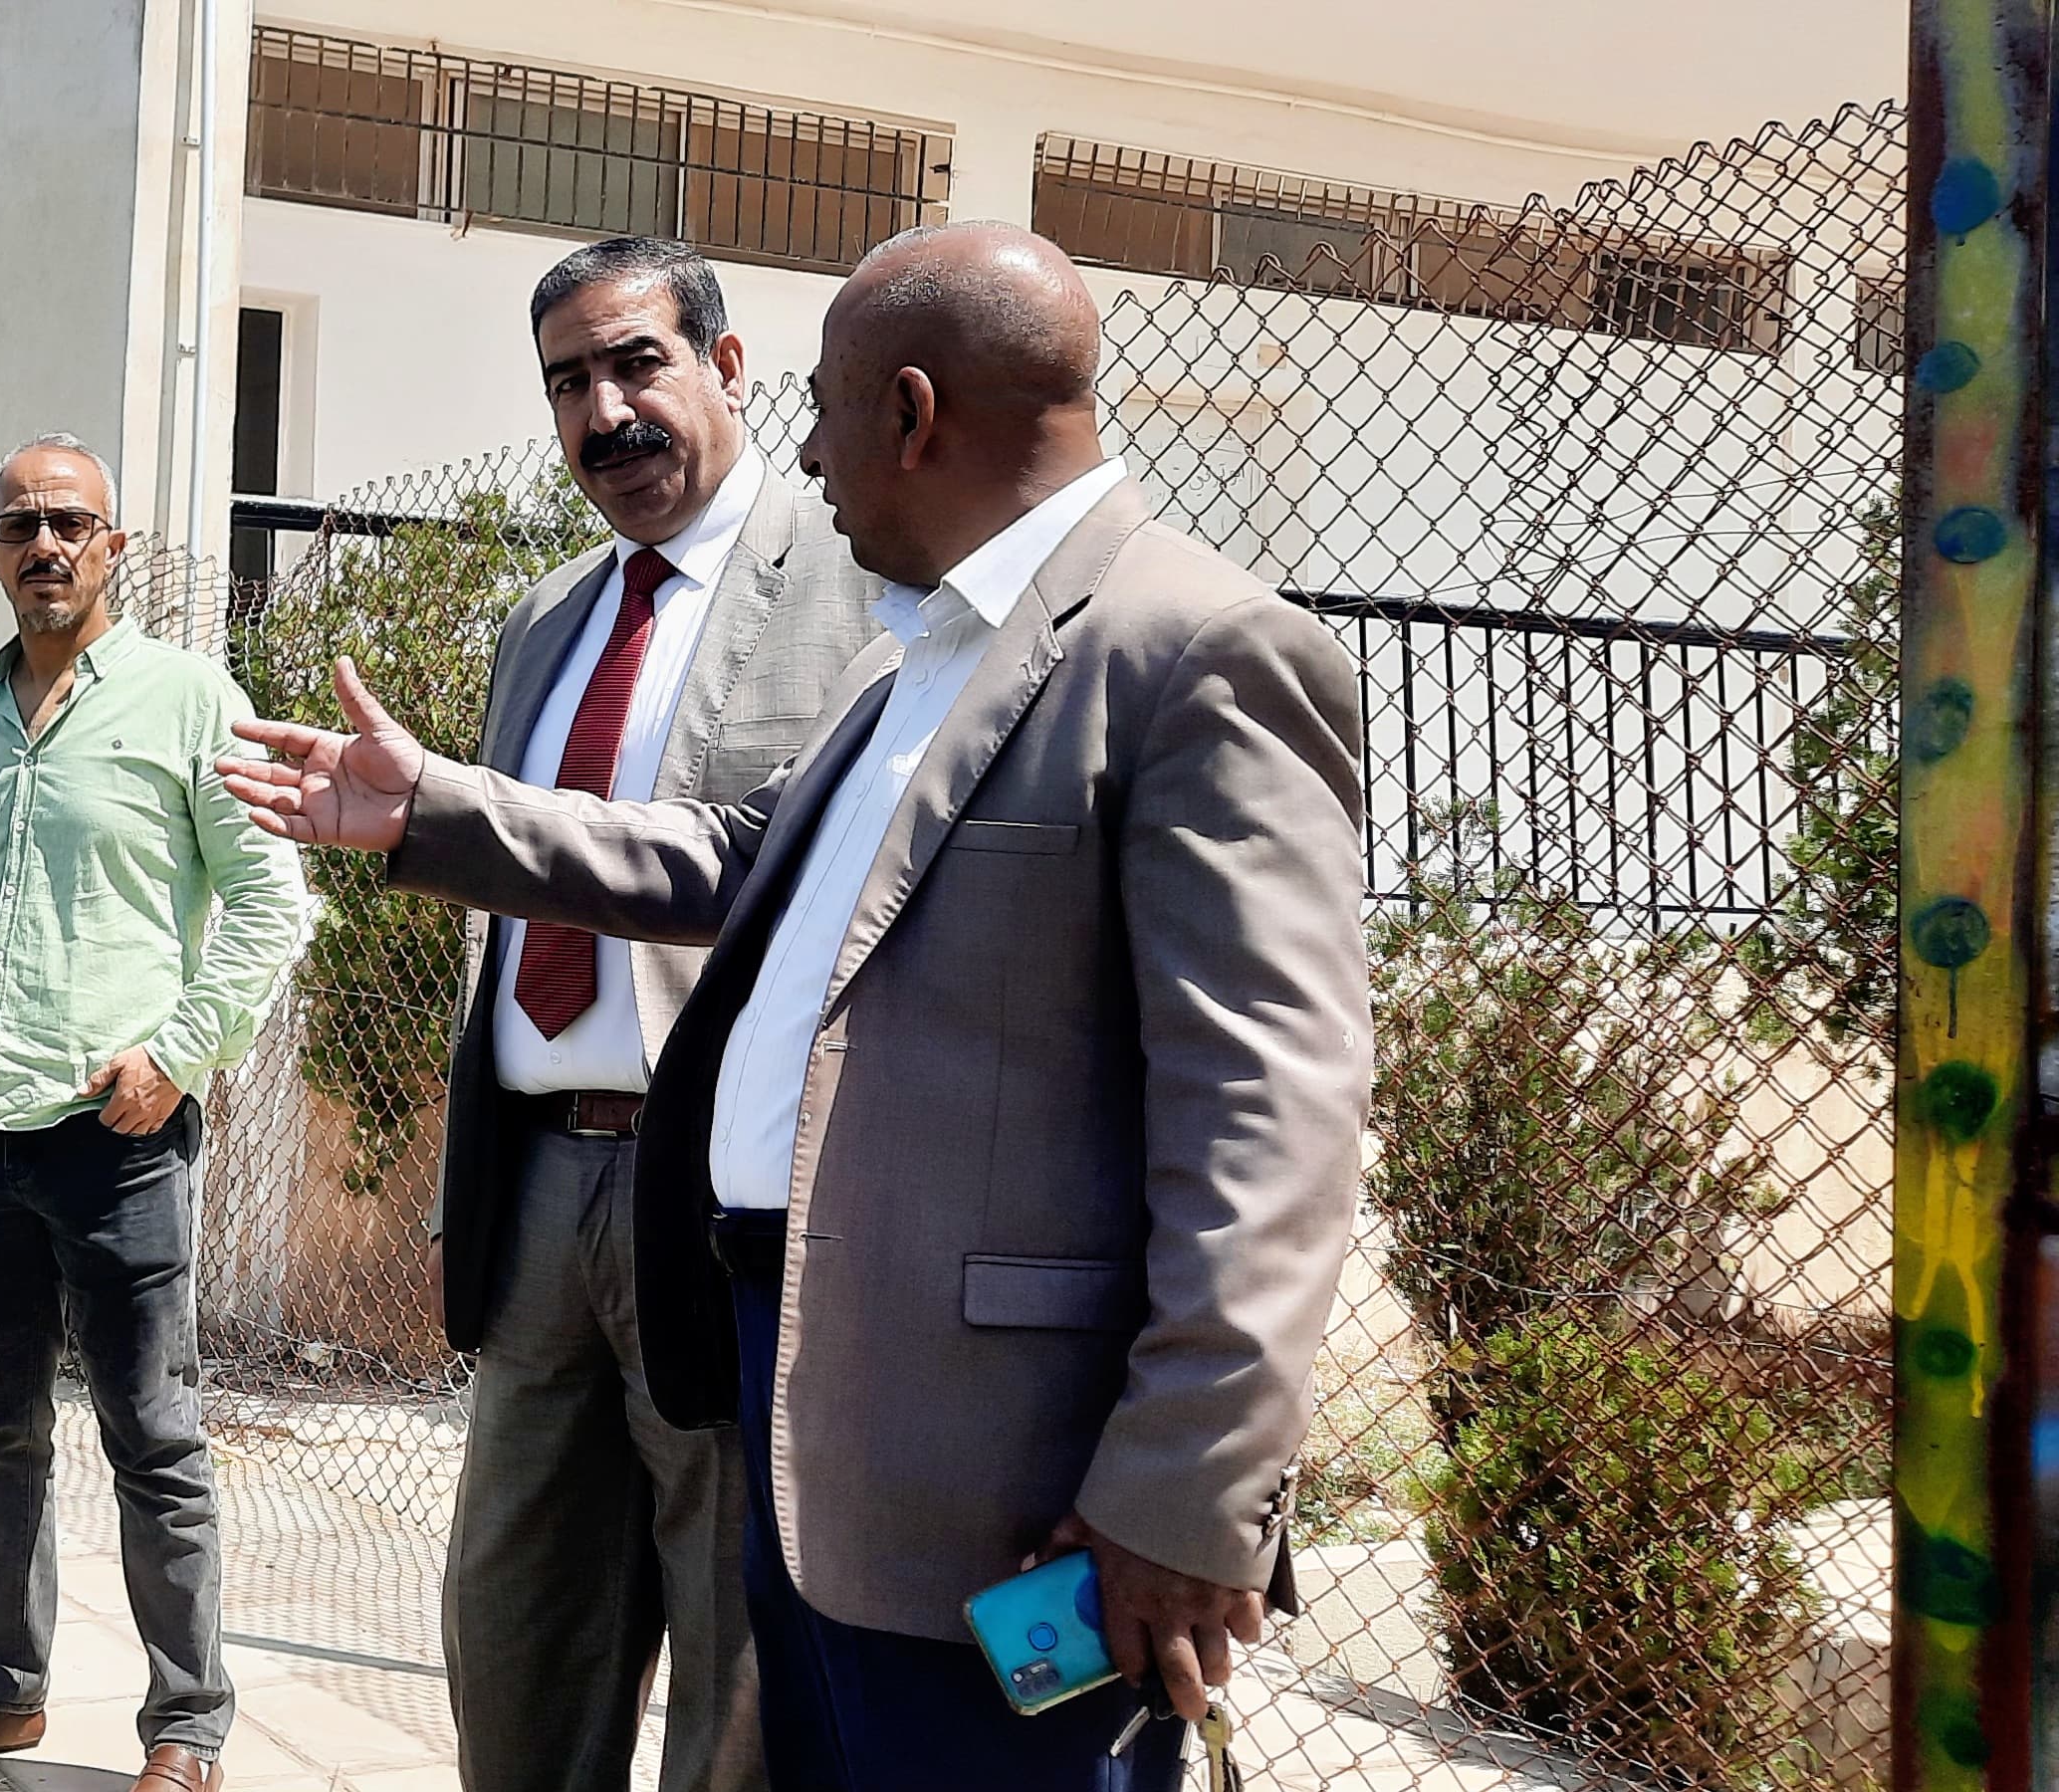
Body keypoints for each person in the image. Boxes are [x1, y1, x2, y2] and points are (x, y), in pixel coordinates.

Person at [214, 224, 1367, 1790]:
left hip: (988, 1463)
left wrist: (1189, 1487)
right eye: (568, 381)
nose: (809, 455)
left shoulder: (1193, 650)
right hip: (790, 1370)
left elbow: (1272, 1119)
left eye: (821, 411)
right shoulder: (922, 658)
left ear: (908, 411)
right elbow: (729, 857)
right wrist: (431, 809)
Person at [430, 237, 871, 1792]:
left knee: (730, 1673)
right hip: (537, 1191)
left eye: (637, 365)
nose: (605, 413)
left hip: (724, 1198)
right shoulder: (545, 619)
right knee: (515, 1641)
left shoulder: (858, 584)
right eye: (569, 384)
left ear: (728, 365)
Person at [0, 433, 313, 1792]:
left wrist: (179, 1054)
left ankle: (187, 1728)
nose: (47, 545)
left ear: (113, 546)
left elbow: (270, 900)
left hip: (117, 1142)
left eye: (71, 522)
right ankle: (0, 1688)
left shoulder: (188, 700)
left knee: (154, 1440)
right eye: (21, 526)